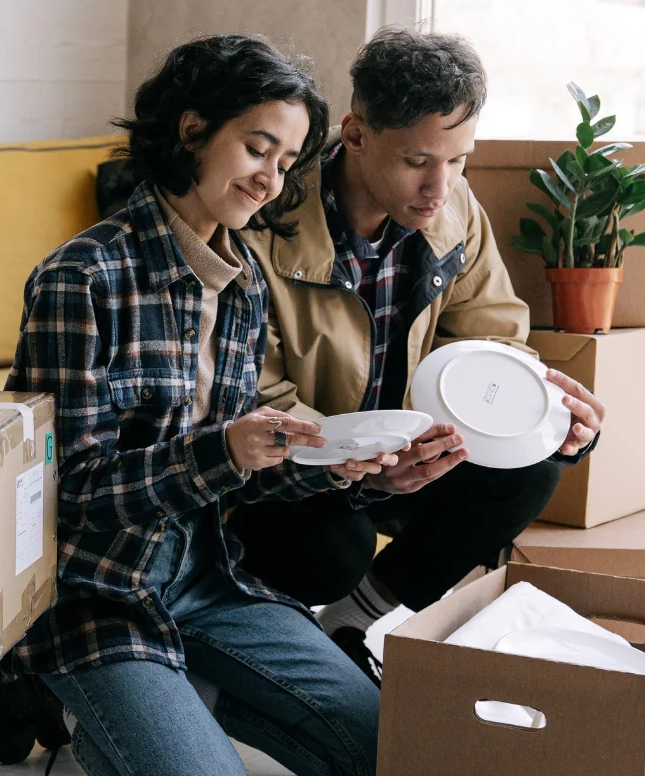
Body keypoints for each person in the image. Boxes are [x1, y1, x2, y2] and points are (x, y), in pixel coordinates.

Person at [0, 35, 388, 776]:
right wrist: (221, 451)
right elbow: (62, 494)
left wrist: (336, 464)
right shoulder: (82, 278)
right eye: (258, 148)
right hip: (96, 595)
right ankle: (49, 687)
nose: (270, 178)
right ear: (192, 129)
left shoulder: (243, 285)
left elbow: (245, 471)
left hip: (206, 576)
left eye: (286, 162)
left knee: (392, 741)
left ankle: (176, 697)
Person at [236, 27, 606, 685]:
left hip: (409, 455)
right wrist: (366, 469)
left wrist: (547, 418)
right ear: (354, 135)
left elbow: (493, 342)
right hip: (299, 472)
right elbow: (256, 405)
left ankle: (353, 620)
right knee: (332, 550)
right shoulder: (265, 225)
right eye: (417, 161)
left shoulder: (454, 210)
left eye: (458, 160)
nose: (440, 187)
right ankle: (273, 638)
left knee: (535, 467)